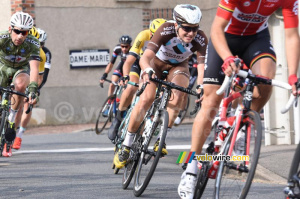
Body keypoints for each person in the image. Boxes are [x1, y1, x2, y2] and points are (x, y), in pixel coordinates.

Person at [177, 0, 300, 198]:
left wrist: (293, 75)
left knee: (265, 79)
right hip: (225, 38)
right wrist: (226, 58)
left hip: (256, 39)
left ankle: (240, 126)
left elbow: (292, 35)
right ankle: (191, 168)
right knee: (210, 102)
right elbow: (216, 28)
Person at [113, 4, 208, 169]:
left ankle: (161, 140)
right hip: (155, 64)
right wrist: (148, 70)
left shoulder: (200, 39)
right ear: (177, 24)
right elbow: (145, 57)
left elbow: (201, 69)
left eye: (195, 28)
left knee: (179, 95)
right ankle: (126, 146)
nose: (191, 33)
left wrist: (201, 86)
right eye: (186, 28)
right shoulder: (166, 30)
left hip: (178, 67)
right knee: (147, 98)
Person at [107, 18, 167, 141]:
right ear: (150, 33)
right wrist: (125, 76)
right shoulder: (143, 35)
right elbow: (129, 61)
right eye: (153, 36)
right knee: (131, 87)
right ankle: (118, 119)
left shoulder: (169, 40)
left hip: (155, 67)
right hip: (139, 63)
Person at [0, 12, 40, 157]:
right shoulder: (2, 38)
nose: (20, 36)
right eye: (17, 31)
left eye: (24, 32)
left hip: (20, 69)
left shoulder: (33, 43)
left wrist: (33, 89)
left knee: (21, 85)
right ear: (10, 29)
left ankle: (11, 118)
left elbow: (34, 68)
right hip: (2, 67)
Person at [13, 27, 51, 150]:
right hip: (21, 75)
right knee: (14, 102)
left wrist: (35, 90)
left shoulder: (45, 54)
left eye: (42, 44)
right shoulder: (22, 47)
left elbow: (43, 75)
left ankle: (19, 135)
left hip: (34, 79)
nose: (40, 46)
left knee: (26, 107)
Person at [99, 35, 132, 117]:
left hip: (130, 68)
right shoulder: (117, 49)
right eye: (122, 46)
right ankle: (109, 104)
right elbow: (111, 64)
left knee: (126, 87)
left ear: (130, 46)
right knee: (112, 83)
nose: (124, 49)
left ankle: (124, 107)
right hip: (121, 66)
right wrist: (104, 75)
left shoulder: (133, 51)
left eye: (126, 46)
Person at [174, 53, 198, 125]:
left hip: (191, 76)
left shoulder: (194, 59)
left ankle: (179, 114)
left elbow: (194, 72)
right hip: (180, 75)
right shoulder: (181, 56)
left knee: (185, 92)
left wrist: (188, 84)